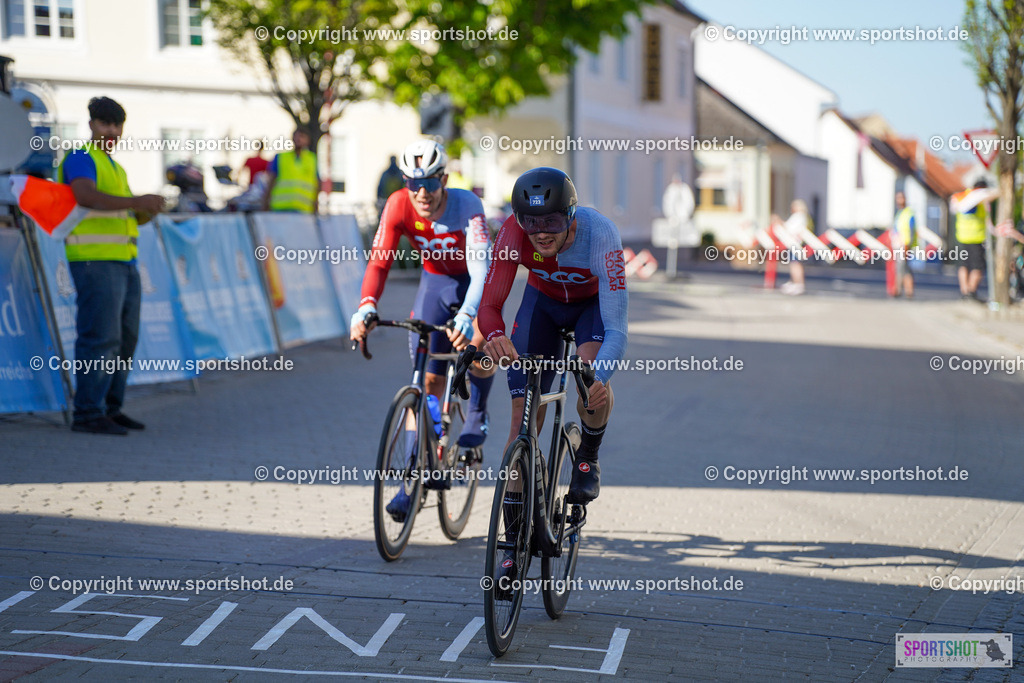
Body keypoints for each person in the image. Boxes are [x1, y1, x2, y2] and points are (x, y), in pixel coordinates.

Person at [478, 167, 628, 592]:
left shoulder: (601, 235)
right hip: (541, 307)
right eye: (531, 222)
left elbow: (617, 329)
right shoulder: (513, 233)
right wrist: (494, 335)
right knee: (521, 424)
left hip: (590, 311)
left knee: (590, 387)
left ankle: (588, 455)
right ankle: (512, 546)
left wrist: (598, 377)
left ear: (571, 216)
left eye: (553, 222)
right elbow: (489, 305)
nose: (541, 233)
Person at [349, 139, 496, 520]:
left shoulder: (468, 205)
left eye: (430, 183)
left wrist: (469, 313)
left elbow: (482, 269)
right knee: (426, 381)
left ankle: (477, 413)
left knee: (477, 345)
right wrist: (367, 306)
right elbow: (379, 262)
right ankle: (411, 481)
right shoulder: (398, 204)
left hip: (473, 284)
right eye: (414, 183)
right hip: (434, 285)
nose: (422, 193)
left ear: (443, 179)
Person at [57, 96, 165, 435]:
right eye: (105, 123)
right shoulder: (81, 157)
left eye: (117, 125)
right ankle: (88, 413)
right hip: (94, 261)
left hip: (123, 262)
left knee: (124, 339)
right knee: (100, 338)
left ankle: (109, 408)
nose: (112, 131)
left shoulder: (115, 167)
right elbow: (85, 196)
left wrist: (144, 211)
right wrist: (137, 201)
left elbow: (123, 213)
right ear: (91, 124)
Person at [951, 179, 998, 302]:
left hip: (961, 238)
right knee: (978, 266)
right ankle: (971, 292)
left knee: (963, 265)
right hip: (976, 239)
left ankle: (964, 291)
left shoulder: (962, 197)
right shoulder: (980, 198)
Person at [262, 127, 319, 214]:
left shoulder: (312, 160)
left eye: (302, 136)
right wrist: (266, 203)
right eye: (297, 136)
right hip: (280, 208)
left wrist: (315, 206)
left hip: (304, 210)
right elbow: (271, 180)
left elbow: (317, 183)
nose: (299, 139)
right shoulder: (281, 157)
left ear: (308, 141)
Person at [779, 199, 813, 296]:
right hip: (794, 243)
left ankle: (798, 284)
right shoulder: (801, 216)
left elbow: (790, 228)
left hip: (795, 244)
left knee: (795, 264)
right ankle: (795, 283)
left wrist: (781, 224)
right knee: (794, 264)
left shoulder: (799, 216)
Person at [890, 191, 917, 298]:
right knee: (904, 268)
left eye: (901, 198)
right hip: (898, 244)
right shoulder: (899, 213)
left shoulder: (908, 213)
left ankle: (900, 290)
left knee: (902, 268)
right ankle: (906, 290)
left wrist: (907, 246)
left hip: (904, 244)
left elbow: (911, 231)